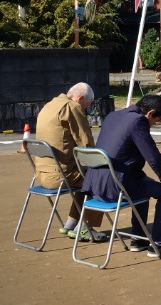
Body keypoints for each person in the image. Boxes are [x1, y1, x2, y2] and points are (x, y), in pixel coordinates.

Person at [81, 95, 161, 258]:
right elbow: (153, 156)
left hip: (95, 184)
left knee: (143, 187)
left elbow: (119, 154)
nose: (152, 125)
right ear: (150, 113)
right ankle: (160, 245)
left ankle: (138, 239)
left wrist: (143, 176)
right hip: (115, 186)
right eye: (155, 121)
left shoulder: (113, 116)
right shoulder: (138, 121)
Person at [35, 82, 107, 242]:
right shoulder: (72, 107)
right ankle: (86, 227)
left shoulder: (50, 105)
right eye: (87, 106)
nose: (86, 109)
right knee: (100, 179)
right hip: (60, 177)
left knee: (86, 176)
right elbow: (87, 145)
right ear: (80, 99)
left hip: (41, 175)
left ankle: (71, 224)